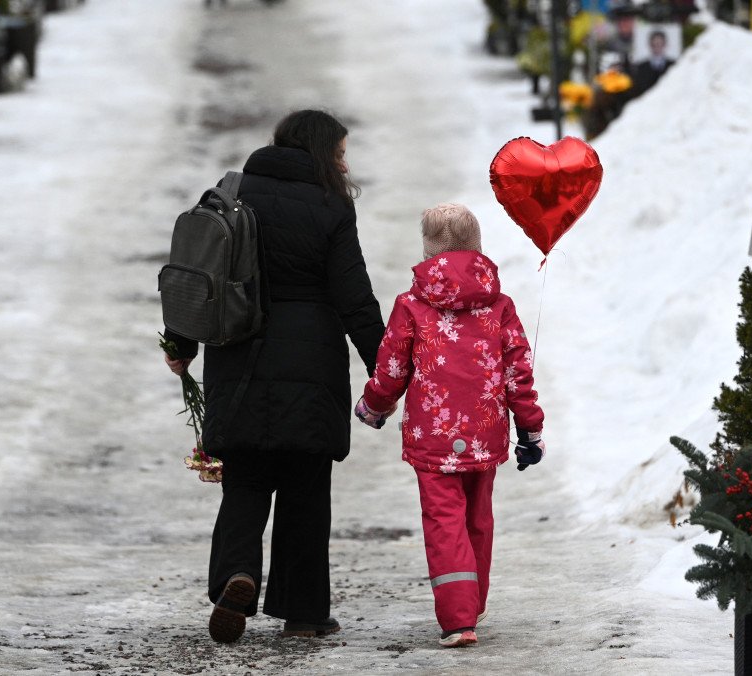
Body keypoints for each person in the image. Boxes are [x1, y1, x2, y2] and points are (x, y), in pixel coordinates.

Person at [163, 110, 385, 643]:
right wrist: (388, 370)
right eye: (339, 153)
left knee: (245, 482)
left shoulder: (231, 193)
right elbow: (354, 298)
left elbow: (199, 275)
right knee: (305, 488)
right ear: (317, 153)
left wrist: (181, 343)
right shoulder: (331, 206)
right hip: (311, 369)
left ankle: (236, 576)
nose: (344, 163)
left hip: (238, 359)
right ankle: (305, 613)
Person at [353, 203, 545, 648]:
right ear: (477, 247)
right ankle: (472, 602)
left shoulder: (410, 306)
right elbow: (519, 373)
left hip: (432, 436)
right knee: (478, 517)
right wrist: (530, 428)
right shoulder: (500, 306)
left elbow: (392, 369)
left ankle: (459, 618)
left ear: (428, 249)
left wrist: (373, 407)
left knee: (444, 521)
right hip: (485, 432)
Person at [629, 29, 675, 99]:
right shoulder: (641, 67)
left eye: (660, 44)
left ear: (665, 45)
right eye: (655, 44)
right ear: (650, 45)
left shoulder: (673, 66)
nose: (657, 46)